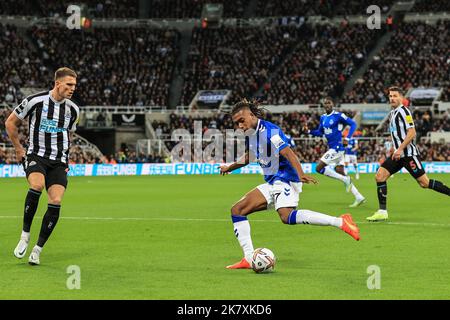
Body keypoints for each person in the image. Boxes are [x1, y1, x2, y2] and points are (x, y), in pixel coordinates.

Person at [220, 99, 360, 270]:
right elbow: (250, 156)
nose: (239, 126)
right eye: (236, 123)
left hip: (286, 178)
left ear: (251, 114)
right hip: (273, 181)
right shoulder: (251, 134)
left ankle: (340, 222)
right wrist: (230, 167)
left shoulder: (270, 131)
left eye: (241, 120)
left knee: (286, 216)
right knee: (237, 210)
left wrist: (300, 174)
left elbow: (288, 153)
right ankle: (249, 258)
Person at [5, 67, 80, 265]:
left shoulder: (73, 109)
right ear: (57, 83)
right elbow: (10, 123)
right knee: (36, 185)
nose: (73, 88)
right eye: (69, 84)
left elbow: (69, 134)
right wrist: (19, 150)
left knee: (55, 200)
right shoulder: (35, 101)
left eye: (74, 85)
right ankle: (24, 236)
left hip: (59, 161)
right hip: (36, 155)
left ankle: (37, 250)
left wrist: (66, 156)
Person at [367, 87, 450, 222]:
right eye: (390, 96)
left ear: (401, 98)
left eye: (395, 96)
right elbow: (397, 135)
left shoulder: (404, 112)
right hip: (398, 155)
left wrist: (399, 149)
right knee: (380, 176)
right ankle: (382, 212)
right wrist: (395, 150)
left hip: (408, 155)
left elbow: (412, 132)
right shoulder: (393, 113)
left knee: (424, 183)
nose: (392, 98)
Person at [304, 97, 365, 208]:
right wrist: (309, 131)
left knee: (318, 168)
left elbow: (353, 124)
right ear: (323, 106)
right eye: (325, 103)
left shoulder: (338, 115)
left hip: (337, 148)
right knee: (340, 171)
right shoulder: (322, 118)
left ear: (332, 105)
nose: (327, 104)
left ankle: (345, 180)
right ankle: (358, 196)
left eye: (329, 103)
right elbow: (320, 132)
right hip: (333, 148)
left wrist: (348, 138)